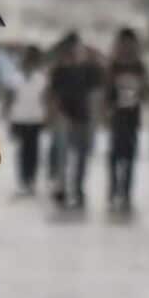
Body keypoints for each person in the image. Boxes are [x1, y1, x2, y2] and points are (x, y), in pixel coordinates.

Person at [46, 32, 101, 209]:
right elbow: (53, 93)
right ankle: (62, 186)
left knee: (81, 155)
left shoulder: (88, 68)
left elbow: (96, 91)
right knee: (63, 154)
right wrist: (52, 114)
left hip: (82, 115)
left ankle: (77, 187)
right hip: (65, 115)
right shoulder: (59, 70)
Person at [105, 28, 149, 212]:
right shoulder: (113, 66)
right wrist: (106, 111)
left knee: (130, 157)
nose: (127, 47)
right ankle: (114, 190)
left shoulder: (139, 66)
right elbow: (107, 91)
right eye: (124, 43)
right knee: (114, 157)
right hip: (117, 117)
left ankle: (126, 193)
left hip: (132, 117)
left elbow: (145, 92)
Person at [5, 45, 49, 197]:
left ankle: (31, 178)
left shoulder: (41, 78)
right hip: (20, 118)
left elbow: (45, 98)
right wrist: (8, 116)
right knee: (23, 150)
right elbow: (9, 98)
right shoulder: (15, 78)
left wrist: (47, 116)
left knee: (34, 150)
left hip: (36, 118)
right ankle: (24, 179)